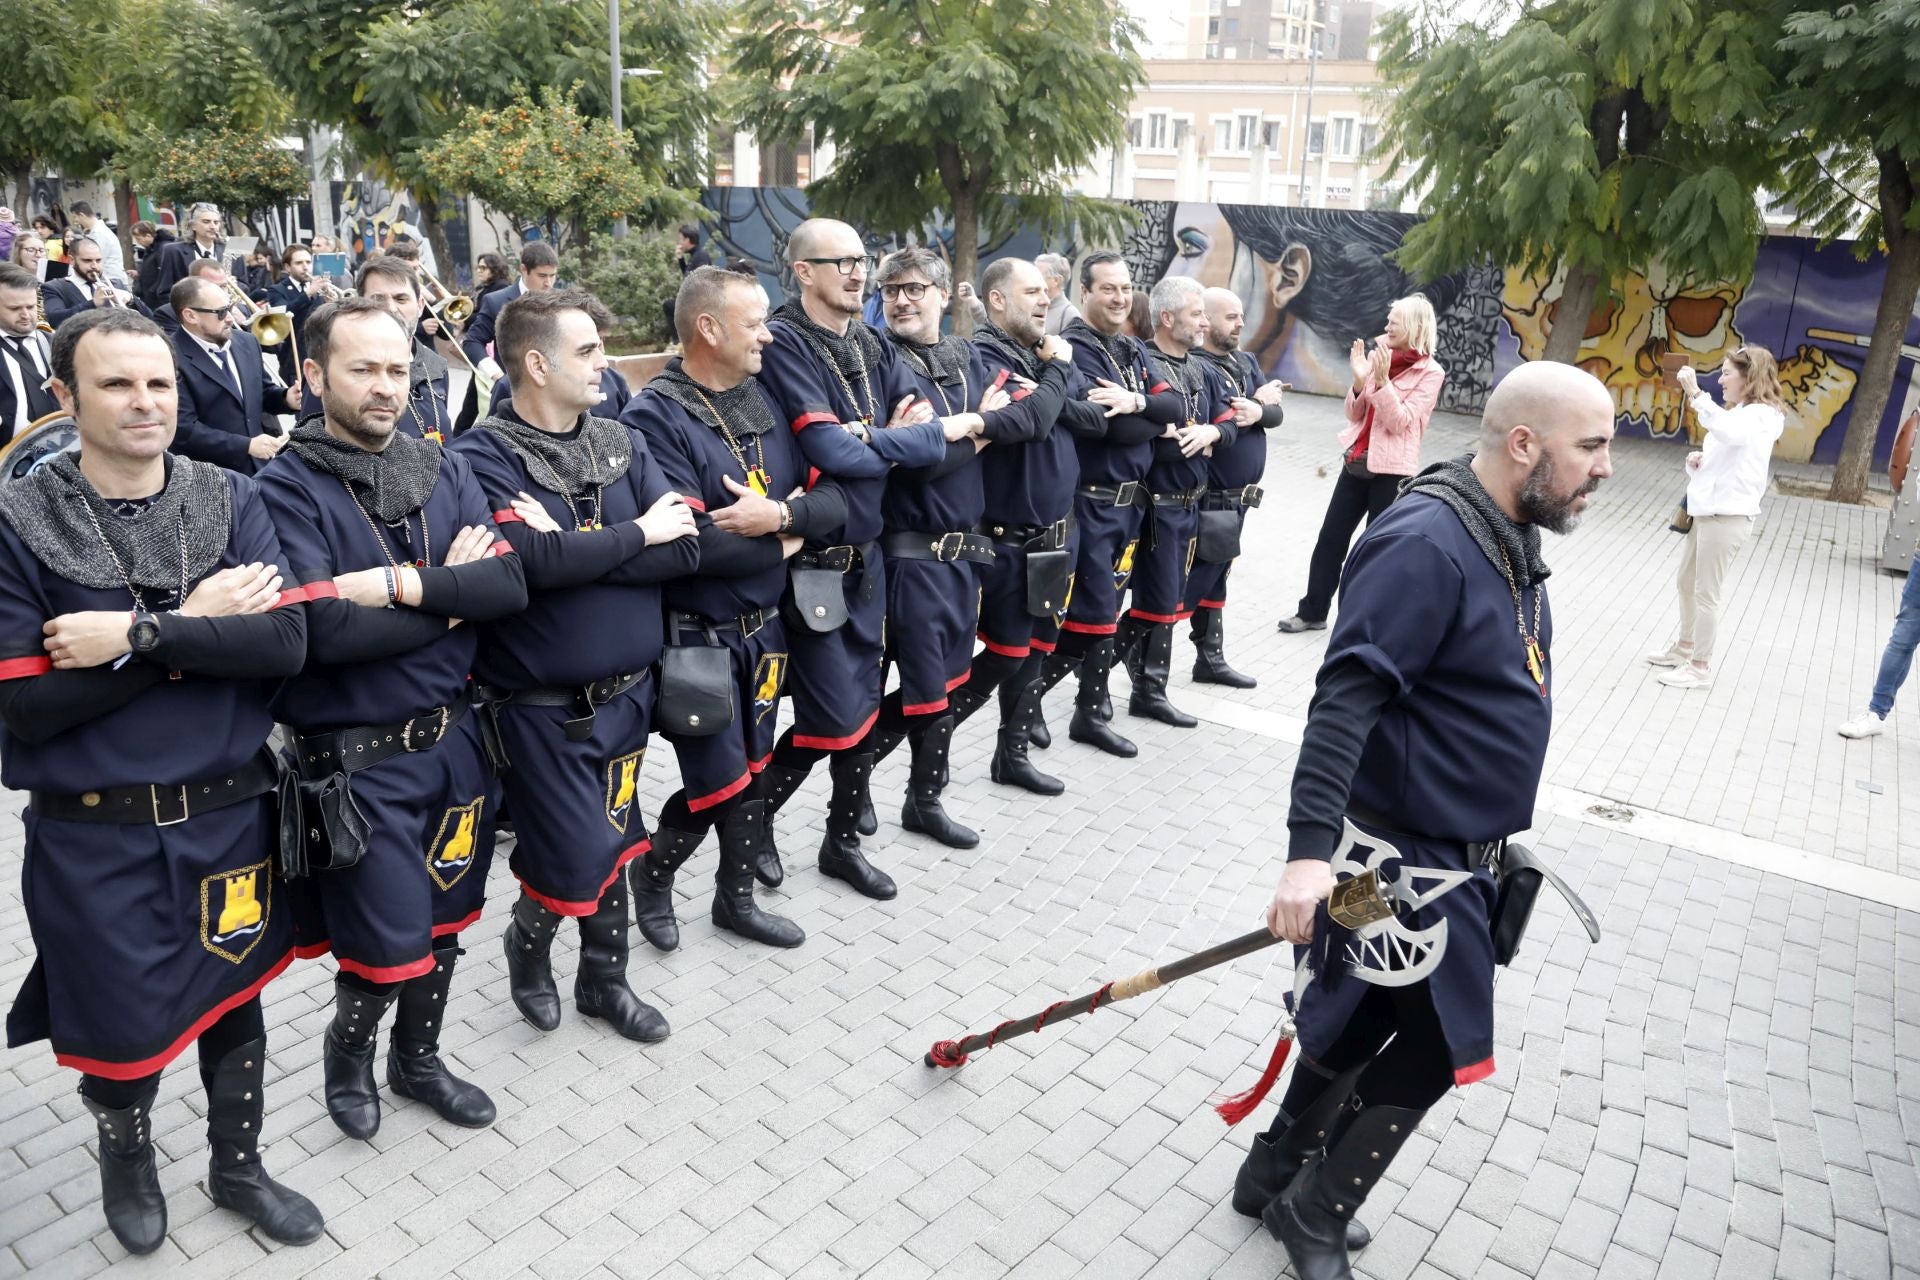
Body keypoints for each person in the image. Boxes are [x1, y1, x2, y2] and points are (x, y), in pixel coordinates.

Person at [1250, 361, 1614, 1280]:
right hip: (1396, 865)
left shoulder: (1499, 526)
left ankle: (1272, 1170)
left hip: (1446, 854)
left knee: (1360, 1013)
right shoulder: (1428, 541)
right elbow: (1343, 702)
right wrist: (1306, 860)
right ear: (1523, 444)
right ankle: (1317, 1211)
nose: (1607, 468)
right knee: (1431, 1044)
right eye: (1594, 446)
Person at [0, 307, 325, 1254]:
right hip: (94, 831)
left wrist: (138, 637)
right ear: (65, 397)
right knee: (120, 1025)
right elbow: (27, 706)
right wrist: (197, 630)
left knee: (236, 1002)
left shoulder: (230, 496)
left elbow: (285, 641)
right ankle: (128, 1155)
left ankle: (238, 1164)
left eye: (159, 385)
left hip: (227, 811)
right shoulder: (20, 522)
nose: (145, 403)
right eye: (116, 384)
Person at [258, 297, 527, 1141]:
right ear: (313, 375)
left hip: (453, 747)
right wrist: (452, 600)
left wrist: (405, 589)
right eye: (362, 368)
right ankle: (348, 1062)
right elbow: (322, 633)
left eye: (398, 369)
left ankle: (419, 1060)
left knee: (444, 924)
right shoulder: (282, 487)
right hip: (356, 764)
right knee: (382, 944)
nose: (385, 388)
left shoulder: (440, 466)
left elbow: (510, 587)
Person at [452, 289, 699, 1039]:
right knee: (582, 848)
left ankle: (599, 981)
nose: (605, 362)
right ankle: (530, 946)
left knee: (614, 835)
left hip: (627, 696)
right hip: (538, 706)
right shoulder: (479, 456)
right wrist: (634, 535)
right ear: (536, 362)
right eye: (589, 349)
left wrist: (573, 546)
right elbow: (526, 565)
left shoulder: (622, 440)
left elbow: (685, 546)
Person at [620, 266, 849, 946]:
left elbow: (840, 498)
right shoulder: (653, 417)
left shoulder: (766, 395)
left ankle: (733, 898)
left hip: (768, 628)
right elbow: (694, 543)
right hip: (698, 635)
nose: (768, 335)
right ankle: (655, 875)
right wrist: (791, 536)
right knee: (715, 779)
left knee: (750, 770)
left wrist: (778, 516)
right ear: (708, 328)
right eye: (754, 323)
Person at [753, 219, 967, 884]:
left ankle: (839, 845)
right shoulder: (787, 342)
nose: (856, 271)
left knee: (864, 711)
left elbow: (928, 435)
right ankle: (751, 827)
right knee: (828, 718)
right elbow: (829, 451)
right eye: (839, 261)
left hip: (867, 560)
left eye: (859, 259)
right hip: (811, 562)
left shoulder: (871, 342)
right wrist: (883, 440)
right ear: (803, 272)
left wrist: (869, 438)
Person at [866, 249, 1049, 845]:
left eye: (916, 288)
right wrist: (979, 426)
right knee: (906, 694)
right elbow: (916, 465)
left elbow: (1031, 416)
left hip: (960, 559)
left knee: (942, 687)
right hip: (904, 555)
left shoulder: (963, 356)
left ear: (945, 296)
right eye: (892, 290)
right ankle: (863, 799)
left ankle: (923, 801)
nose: (902, 299)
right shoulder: (880, 363)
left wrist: (972, 426)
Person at [1044, 251, 1187, 758]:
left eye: (1126, 288)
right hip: (1091, 504)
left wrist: (1139, 402)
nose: (1121, 297)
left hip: (1131, 509)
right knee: (1093, 614)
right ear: (1085, 292)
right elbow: (1113, 426)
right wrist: (1143, 413)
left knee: (1104, 611)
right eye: (1109, 288)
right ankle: (1085, 712)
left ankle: (1039, 705)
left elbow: (1177, 406)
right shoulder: (1076, 347)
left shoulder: (1130, 349)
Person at [1278, 295, 1445, 634]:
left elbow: (1401, 422)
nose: (1386, 326)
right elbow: (1355, 414)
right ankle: (1312, 611)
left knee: (1374, 549)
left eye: (1393, 321)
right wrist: (1358, 381)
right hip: (1357, 462)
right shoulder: (1377, 356)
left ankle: (1360, 621)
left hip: (1393, 471)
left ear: (1413, 326)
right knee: (1330, 539)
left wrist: (1382, 383)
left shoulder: (1431, 373)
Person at [1126, 276, 1251, 727]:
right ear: (1167, 318)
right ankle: (1146, 689)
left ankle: (1142, 683)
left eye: (1203, 314)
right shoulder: (1145, 364)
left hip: (1196, 504)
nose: (1203, 323)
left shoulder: (1201, 369)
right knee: (1157, 601)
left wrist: (1213, 432)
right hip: (1157, 506)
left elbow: (1231, 423)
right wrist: (1167, 434)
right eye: (1196, 314)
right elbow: (1140, 430)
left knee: (1172, 598)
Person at [1645, 347, 1786, 690]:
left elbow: (1730, 434)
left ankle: (1699, 667)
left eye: (1727, 373)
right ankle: (1685, 646)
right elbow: (1725, 450)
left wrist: (1695, 392)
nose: (1721, 380)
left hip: (1727, 518)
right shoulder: (1740, 412)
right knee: (1685, 581)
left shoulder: (1762, 416)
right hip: (1709, 512)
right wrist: (1697, 461)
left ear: (1749, 377)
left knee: (1707, 592)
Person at [1187, 286, 1285, 686]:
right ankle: (1134, 656)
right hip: (1210, 497)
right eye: (1231, 316)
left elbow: (1274, 414)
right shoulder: (1196, 366)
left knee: (1217, 577)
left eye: (1242, 315)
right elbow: (1213, 421)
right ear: (1205, 320)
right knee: (1191, 583)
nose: (1241, 323)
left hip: (1240, 501)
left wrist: (1259, 407)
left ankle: (1209, 659)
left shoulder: (1244, 361)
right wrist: (1248, 408)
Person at [168, 275, 300, 472]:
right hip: (209, 476)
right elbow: (183, 429)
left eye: (229, 308)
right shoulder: (169, 356)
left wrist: (286, 398)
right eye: (221, 312)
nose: (230, 318)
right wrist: (246, 445)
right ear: (190, 316)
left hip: (259, 469)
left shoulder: (246, 341)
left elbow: (260, 392)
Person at [353, 255, 458, 442]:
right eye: (378, 299)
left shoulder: (436, 365)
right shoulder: (338, 369)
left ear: (420, 306)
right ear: (360, 306)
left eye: (401, 299)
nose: (391, 308)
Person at [465, 241, 559, 377]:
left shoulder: (562, 302)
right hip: (512, 390)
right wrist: (496, 375)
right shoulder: (496, 301)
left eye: (553, 276)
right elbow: (472, 341)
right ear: (524, 269)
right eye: (542, 276)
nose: (548, 283)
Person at [0, 265, 58, 438]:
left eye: (31, 307)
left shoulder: (55, 343)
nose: (26, 314)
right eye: (15, 308)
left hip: (59, 449)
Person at [40, 235, 144, 327]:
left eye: (98, 260)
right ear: (72, 260)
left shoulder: (115, 283)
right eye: (87, 261)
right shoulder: (55, 287)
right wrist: (93, 304)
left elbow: (149, 317)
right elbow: (54, 319)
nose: (94, 266)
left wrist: (131, 299)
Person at [263, 243, 324, 383]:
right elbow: (283, 313)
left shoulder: (320, 289)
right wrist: (307, 293)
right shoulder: (277, 290)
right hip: (293, 359)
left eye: (308, 262)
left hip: (319, 357)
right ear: (287, 267)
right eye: (299, 263)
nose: (305, 267)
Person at [150, 203, 234, 304]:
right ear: (193, 225)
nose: (213, 226)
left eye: (216, 222)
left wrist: (232, 284)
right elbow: (165, 292)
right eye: (206, 222)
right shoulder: (172, 251)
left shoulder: (231, 249)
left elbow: (245, 285)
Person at [66, 201, 125, 282]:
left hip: (111, 282)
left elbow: (94, 262)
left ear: (81, 215)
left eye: (75, 217)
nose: (76, 221)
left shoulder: (99, 234)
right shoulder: (98, 231)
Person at [132, 221, 175, 311]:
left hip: (157, 300)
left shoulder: (162, 248)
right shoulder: (150, 249)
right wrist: (139, 274)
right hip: (151, 298)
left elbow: (164, 273)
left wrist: (153, 291)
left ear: (148, 236)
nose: (138, 242)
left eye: (139, 239)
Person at [1037, 253, 1082, 336]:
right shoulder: (1032, 307)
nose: (1032, 280)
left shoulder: (1070, 315)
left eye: (1038, 276)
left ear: (1056, 280)